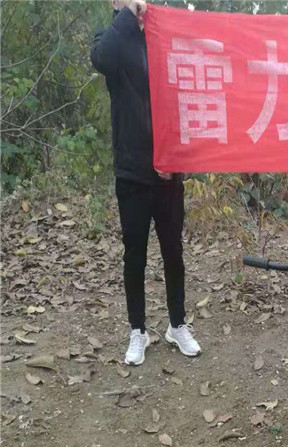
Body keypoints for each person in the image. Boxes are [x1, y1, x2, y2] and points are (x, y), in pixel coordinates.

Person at [91, 0, 201, 366]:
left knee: (173, 252)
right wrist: (126, 16)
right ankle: (137, 330)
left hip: (168, 173)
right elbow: (102, 60)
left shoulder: (165, 38)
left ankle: (177, 324)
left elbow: (183, 96)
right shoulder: (111, 38)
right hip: (132, 172)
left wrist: (178, 158)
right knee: (134, 255)